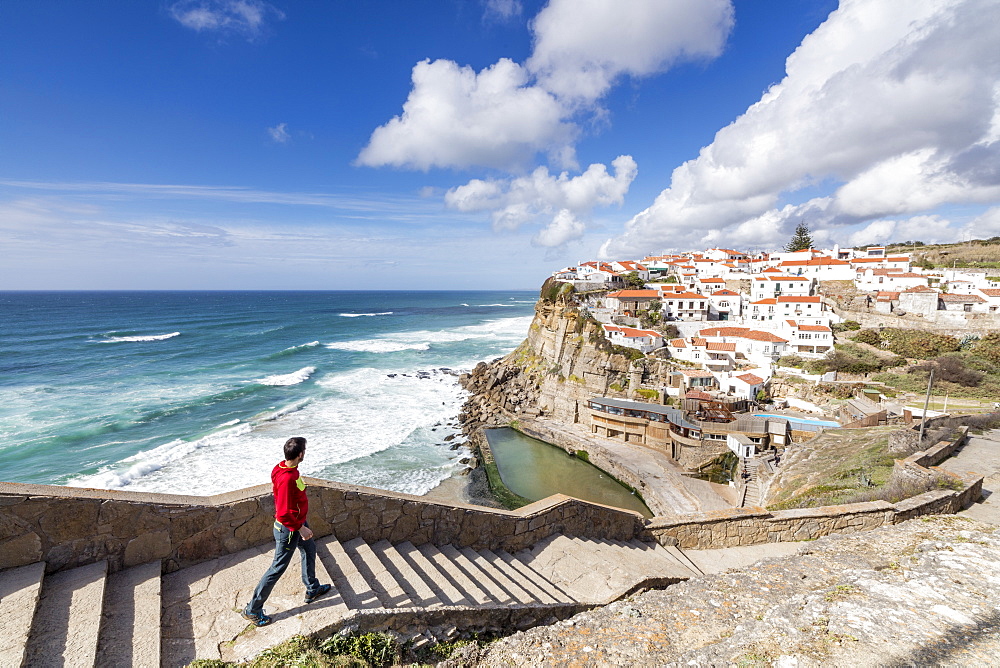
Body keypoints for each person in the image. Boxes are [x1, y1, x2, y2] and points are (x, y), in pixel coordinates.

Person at [242, 436, 331, 627]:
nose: (305, 453)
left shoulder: (282, 467)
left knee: (309, 549)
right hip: (289, 529)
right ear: (300, 454)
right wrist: (301, 528)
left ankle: (312, 588)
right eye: (304, 451)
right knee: (277, 568)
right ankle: (253, 609)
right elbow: (283, 514)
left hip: (297, 523)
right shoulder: (287, 478)